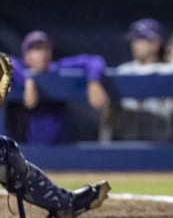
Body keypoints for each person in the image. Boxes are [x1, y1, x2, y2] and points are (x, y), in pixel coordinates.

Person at [0, 52, 111, 218]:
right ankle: (66, 204)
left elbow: (7, 61)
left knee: (5, 152)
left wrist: (27, 78)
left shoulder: (56, 68)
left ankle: (65, 204)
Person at [11, 31, 110, 144]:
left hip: (62, 148)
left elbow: (95, 60)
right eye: (36, 49)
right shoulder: (21, 70)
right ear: (26, 56)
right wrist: (27, 79)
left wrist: (94, 81)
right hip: (30, 149)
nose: (43, 53)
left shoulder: (57, 69)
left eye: (46, 48)